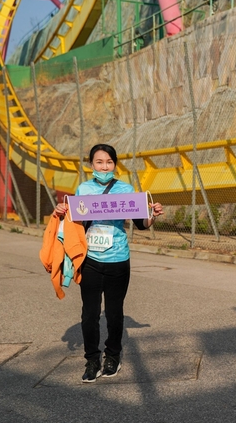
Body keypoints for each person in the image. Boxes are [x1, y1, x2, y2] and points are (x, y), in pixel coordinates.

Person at [53, 143, 164, 382]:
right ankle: (92, 360)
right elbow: (74, 222)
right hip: (90, 260)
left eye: (109, 162)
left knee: (114, 314)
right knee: (89, 314)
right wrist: (62, 211)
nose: (104, 167)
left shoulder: (125, 189)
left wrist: (152, 216)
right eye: (99, 162)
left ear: (115, 165)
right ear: (91, 164)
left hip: (118, 260)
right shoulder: (83, 189)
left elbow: (141, 224)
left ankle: (113, 356)